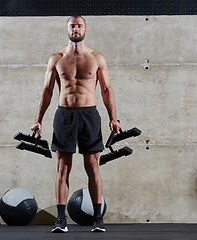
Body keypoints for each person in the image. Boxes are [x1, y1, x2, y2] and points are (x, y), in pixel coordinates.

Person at [31, 15, 121, 233]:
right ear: (66, 29)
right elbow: (47, 91)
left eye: (79, 26)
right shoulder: (57, 58)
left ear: (85, 29)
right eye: (72, 26)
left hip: (89, 115)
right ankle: (61, 220)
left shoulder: (97, 58)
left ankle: (97, 219)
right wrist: (38, 120)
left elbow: (106, 90)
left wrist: (113, 118)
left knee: (92, 167)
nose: (76, 29)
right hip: (65, 116)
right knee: (62, 168)